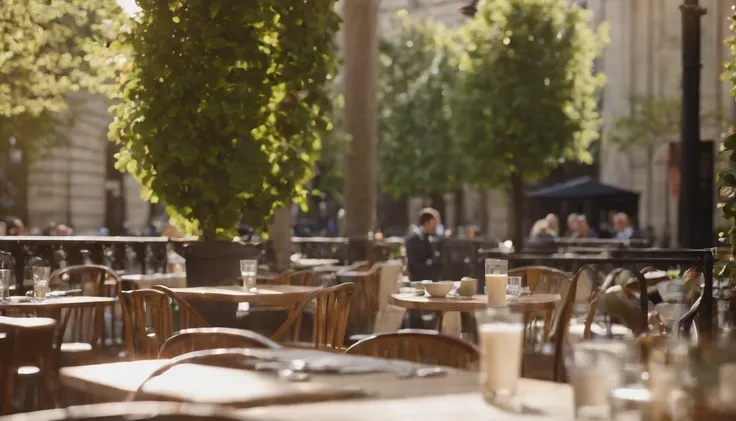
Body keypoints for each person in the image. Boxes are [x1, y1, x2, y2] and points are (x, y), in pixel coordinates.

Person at [404, 208, 442, 282]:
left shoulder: (426, 236)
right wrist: (434, 261)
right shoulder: (415, 237)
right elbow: (415, 265)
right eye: (435, 222)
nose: (436, 226)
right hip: (419, 281)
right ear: (427, 222)